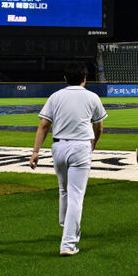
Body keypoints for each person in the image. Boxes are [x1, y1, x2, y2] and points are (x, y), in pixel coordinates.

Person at [30, 62, 107, 256]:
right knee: (76, 196)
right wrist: (94, 143)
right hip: (80, 146)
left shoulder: (56, 96)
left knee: (64, 190)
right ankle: (68, 243)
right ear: (84, 78)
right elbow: (99, 126)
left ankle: (66, 225)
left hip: (59, 147)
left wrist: (35, 152)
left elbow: (43, 125)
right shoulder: (92, 96)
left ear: (65, 79)